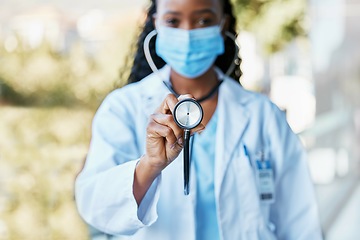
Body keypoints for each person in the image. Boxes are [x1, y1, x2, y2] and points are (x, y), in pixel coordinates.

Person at [75, 0, 323, 239]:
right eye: (173, 20)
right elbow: (96, 207)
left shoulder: (263, 115)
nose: (188, 33)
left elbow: (300, 222)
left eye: (204, 20)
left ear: (223, 25)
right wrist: (149, 165)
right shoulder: (123, 108)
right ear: (156, 23)